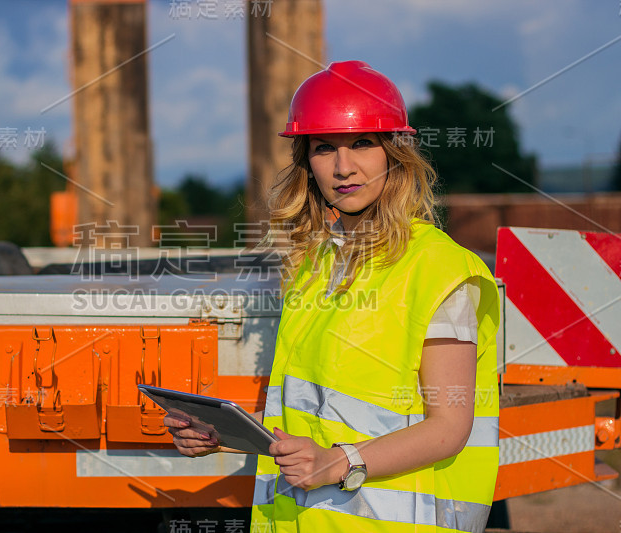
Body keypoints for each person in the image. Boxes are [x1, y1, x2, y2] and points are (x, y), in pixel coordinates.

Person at [165, 61, 500, 533]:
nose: (344, 167)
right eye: (325, 148)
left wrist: (341, 463)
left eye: (362, 143)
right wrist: (223, 436)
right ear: (307, 162)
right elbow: (312, 410)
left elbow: (449, 427)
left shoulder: (438, 267)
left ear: (394, 154)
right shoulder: (313, 265)